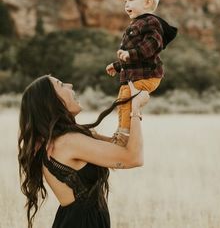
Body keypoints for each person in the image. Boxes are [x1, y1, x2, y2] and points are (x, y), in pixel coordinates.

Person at [18, 75, 149, 228]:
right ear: (51, 101)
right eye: (61, 84)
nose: (70, 84)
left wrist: (126, 107)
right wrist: (136, 109)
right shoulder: (69, 142)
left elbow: (119, 147)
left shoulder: (63, 139)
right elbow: (134, 158)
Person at [106, 0, 178, 145]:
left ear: (147, 2)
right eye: (125, 1)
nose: (126, 4)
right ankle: (121, 131)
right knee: (122, 100)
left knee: (125, 97)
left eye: (130, 0)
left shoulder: (150, 22)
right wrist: (117, 66)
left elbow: (153, 45)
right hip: (137, 74)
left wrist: (130, 54)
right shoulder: (136, 24)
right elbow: (133, 57)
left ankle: (124, 135)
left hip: (148, 76)